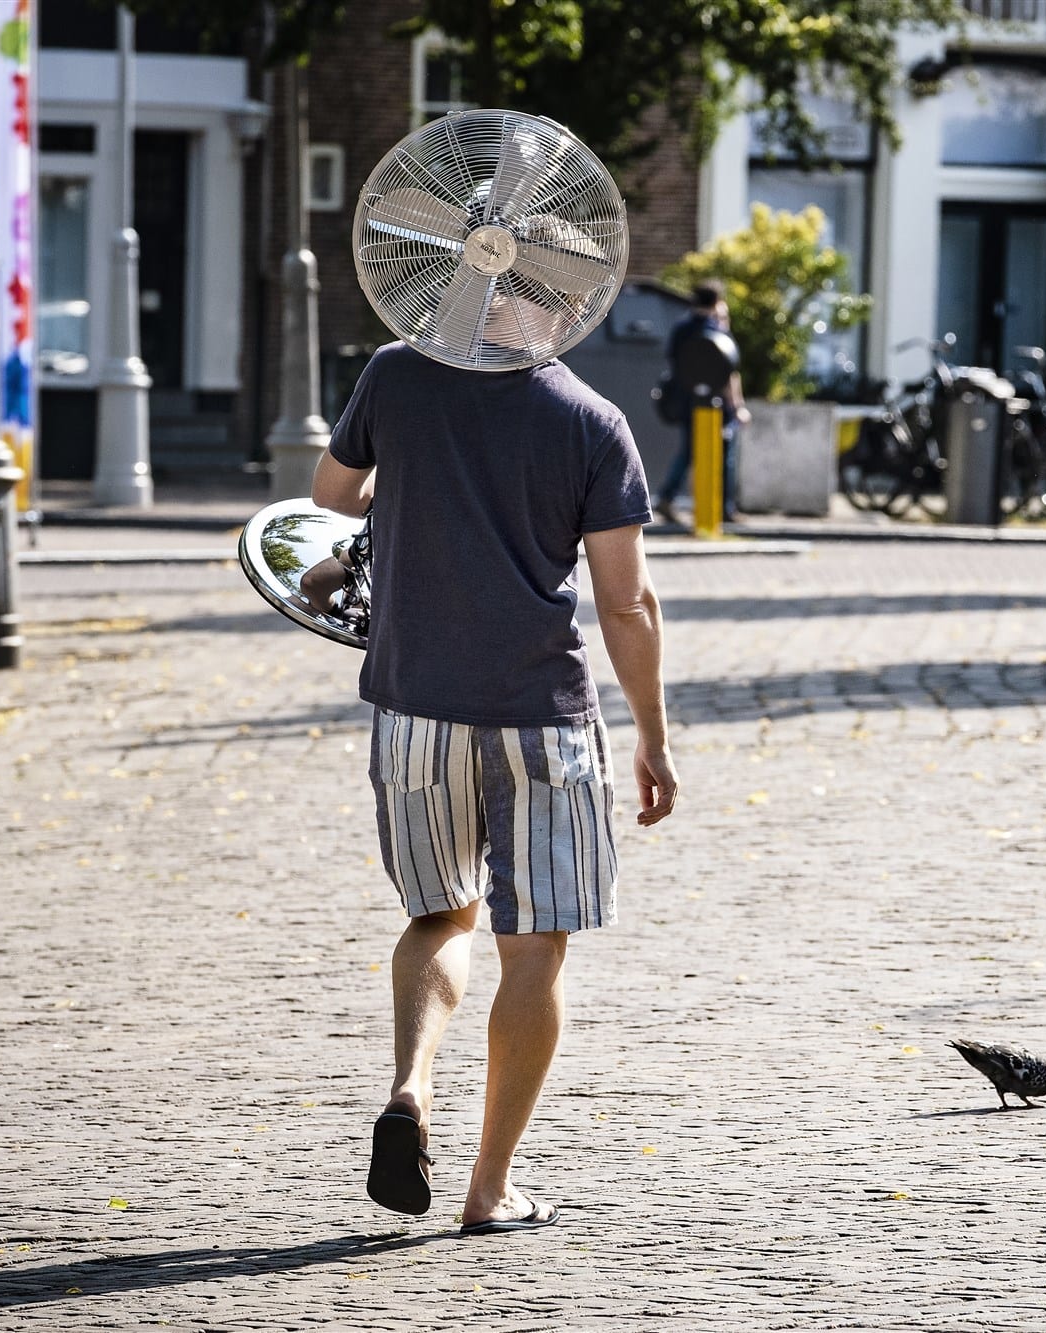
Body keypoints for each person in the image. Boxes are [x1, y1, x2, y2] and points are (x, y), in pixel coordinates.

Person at [310, 264, 680, 1235]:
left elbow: (331, 496)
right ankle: (488, 1189)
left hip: (414, 708)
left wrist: (418, 469)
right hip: (540, 714)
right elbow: (623, 601)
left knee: (440, 917)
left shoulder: (395, 374)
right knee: (533, 947)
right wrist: (650, 732)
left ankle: (409, 1090)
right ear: (565, 306)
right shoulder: (592, 423)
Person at [653, 280, 750, 524]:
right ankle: (724, 509)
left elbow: (675, 363)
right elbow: (728, 372)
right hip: (716, 404)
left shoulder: (681, 329)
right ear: (717, 303)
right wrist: (737, 406)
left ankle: (667, 496)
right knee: (725, 454)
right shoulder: (717, 330)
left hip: (687, 401)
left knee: (687, 452)